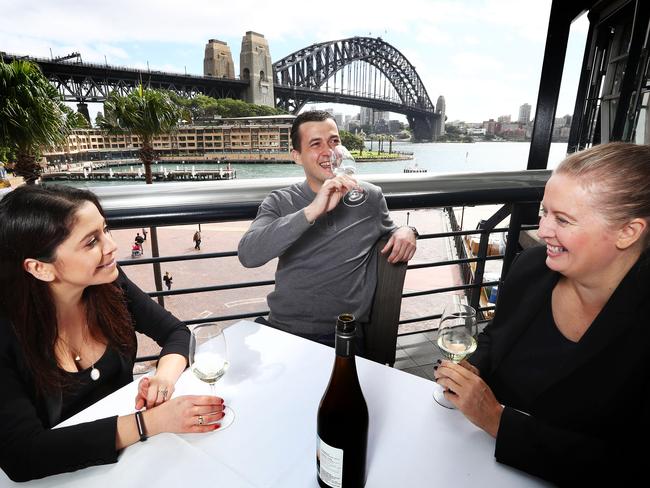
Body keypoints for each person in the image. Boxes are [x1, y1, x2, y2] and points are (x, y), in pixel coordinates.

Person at [434, 142, 650, 485]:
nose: (543, 230)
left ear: (628, 232)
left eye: (562, 219)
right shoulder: (532, 267)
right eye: (544, 211)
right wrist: (474, 368)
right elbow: (496, 338)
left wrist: (496, 419)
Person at [0, 185, 225, 482]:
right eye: (92, 241)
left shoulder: (111, 286)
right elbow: (22, 456)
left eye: (106, 230)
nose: (111, 246)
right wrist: (148, 423)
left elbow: (175, 332)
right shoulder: (6, 333)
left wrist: (163, 380)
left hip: (135, 465)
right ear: (40, 268)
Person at [238, 110, 417, 346]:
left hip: (341, 335)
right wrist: (312, 210)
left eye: (334, 141)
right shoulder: (280, 201)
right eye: (315, 144)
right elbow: (248, 254)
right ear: (297, 156)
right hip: (282, 329)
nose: (329, 152)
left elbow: (391, 230)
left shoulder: (369, 197)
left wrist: (408, 230)